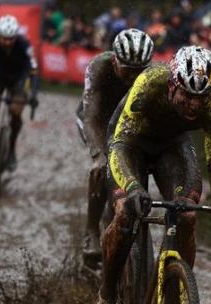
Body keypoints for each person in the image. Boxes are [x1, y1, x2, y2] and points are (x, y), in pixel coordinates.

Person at [92, 47, 211, 304]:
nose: (192, 105)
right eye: (186, 96)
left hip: (171, 148)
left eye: (199, 99)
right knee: (126, 212)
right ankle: (107, 297)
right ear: (172, 85)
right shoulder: (150, 83)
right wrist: (135, 188)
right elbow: (120, 146)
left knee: (187, 215)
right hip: (130, 143)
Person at [76, 29, 155, 268]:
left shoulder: (153, 74)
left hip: (128, 122)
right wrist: (100, 154)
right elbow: (91, 116)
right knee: (101, 166)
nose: (133, 78)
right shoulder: (98, 67)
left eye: (138, 72)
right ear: (114, 61)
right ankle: (91, 229)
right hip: (98, 118)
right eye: (128, 71)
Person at [0, 15, 38, 172]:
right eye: (3, 39)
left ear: (15, 36)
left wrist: (33, 94)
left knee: (15, 111)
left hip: (19, 79)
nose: (6, 42)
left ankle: (11, 150)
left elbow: (33, 71)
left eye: (10, 39)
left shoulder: (25, 45)